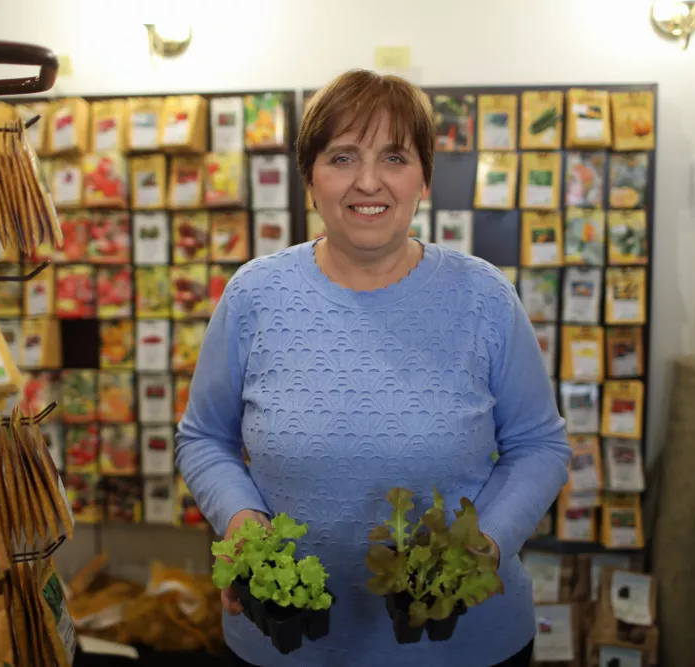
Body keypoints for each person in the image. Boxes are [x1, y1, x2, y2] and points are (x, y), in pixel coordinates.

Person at [175, 69, 571, 667]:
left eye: (394, 156)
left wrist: (487, 543)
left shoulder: (484, 298)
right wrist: (240, 520)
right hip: (288, 646)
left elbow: (540, 444)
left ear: (424, 178)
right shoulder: (254, 296)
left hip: (465, 645)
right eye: (342, 157)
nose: (368, 181)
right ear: (310, 177)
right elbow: (204, 438)